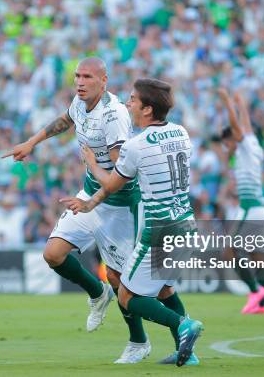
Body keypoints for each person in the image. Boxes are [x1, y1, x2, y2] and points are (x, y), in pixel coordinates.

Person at [3, 58, 150, 363]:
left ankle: (138, 342)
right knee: (53, 254)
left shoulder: (114, 116)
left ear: (104, 80)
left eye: (87, 77)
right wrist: (32, 142)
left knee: (120, 279)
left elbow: (118, 178)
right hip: (89, 192)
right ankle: (97, 293)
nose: (80, 82)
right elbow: (65, 119)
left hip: (119, 204)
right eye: (77, 77)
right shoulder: (81, 102)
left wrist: (93, 183)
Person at [61, 78, 203, 367]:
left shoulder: (137, 145)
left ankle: (183, 325)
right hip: (187, 225)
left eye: (134, 100)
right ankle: (187, 355)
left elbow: (112, 183)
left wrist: (91, 163)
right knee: (164, 290)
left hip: (159, 231)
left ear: (147, 109)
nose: (128, 104)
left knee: (126, 296)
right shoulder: (182, 133)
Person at [218, 88, 264, 315]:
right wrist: (241, 104)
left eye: (226, 142)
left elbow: (238, 126)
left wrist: (228, 102)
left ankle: (255, 291)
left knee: (228, 250)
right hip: (255, 208)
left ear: (234, 138)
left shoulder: (243, 146)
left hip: (250, 208)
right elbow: (246, 126)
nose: (226, 147)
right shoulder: (253, 146)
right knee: (256, 256)